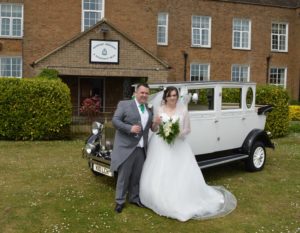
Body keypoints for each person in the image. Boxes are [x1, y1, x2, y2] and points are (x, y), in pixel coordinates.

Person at [140, 86, 237, 222]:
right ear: (165, 97)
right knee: (160, 170)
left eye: (175, 95)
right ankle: (156, 197)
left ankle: (182, 198)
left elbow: (187, 129)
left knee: (179, 172)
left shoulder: (183, 110)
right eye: (170, 95)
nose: (173, 98)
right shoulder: (160, 109)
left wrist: (178, 133)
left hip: (178, 145)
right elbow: (155, 129)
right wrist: (156, 123)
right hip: (160, 144)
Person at [110, 83, 153, 213]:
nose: (144, 95)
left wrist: (156, 123)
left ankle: (134, 198)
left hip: (141, 148)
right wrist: (130, 128)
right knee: (124, 176)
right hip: (126, 147)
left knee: (136, 176)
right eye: (142, 92)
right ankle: (120, 201)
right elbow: (115, 121)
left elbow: (150, 128)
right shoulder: (124, 105)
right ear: (136, 93)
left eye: (146, 93)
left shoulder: (149, 109)